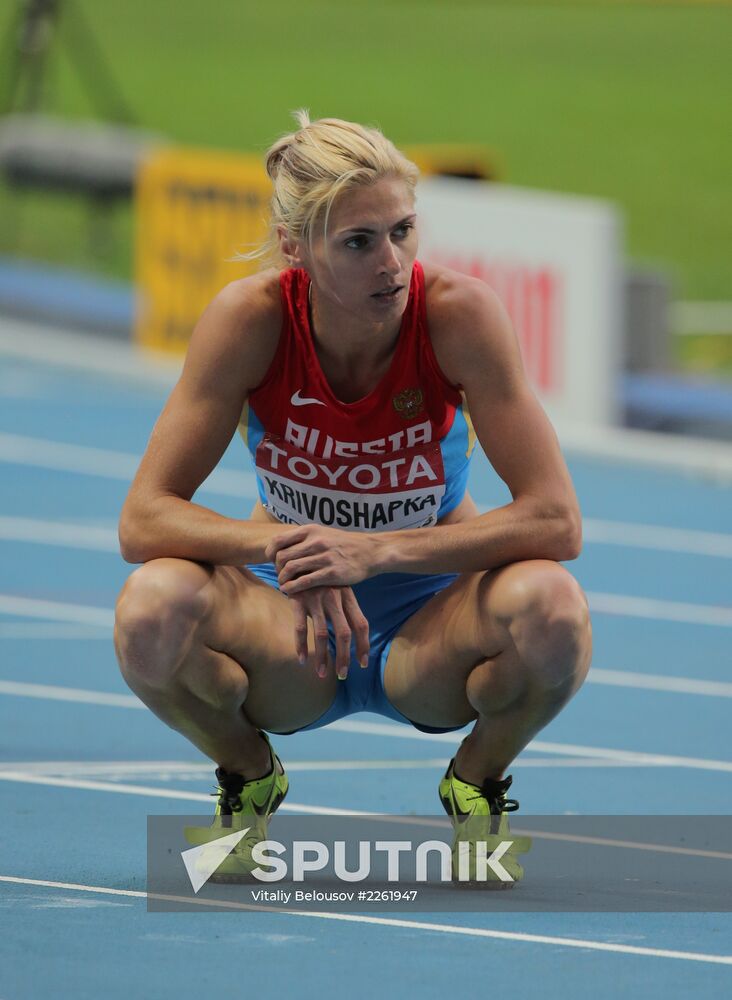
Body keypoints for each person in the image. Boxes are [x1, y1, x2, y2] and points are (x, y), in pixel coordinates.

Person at [114, 110, 592, 884]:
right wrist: (288, 545)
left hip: (434, 622)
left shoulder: (458, 317)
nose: (392, 264)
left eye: (403, 231)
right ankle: (248, 774)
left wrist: (379, 550)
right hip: (289, 625)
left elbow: (555, 518)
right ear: (295, 248)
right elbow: (144, 518)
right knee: (149, 607)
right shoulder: (250, 322)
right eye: (360, 243)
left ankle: (476, 779)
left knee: (554, 607)